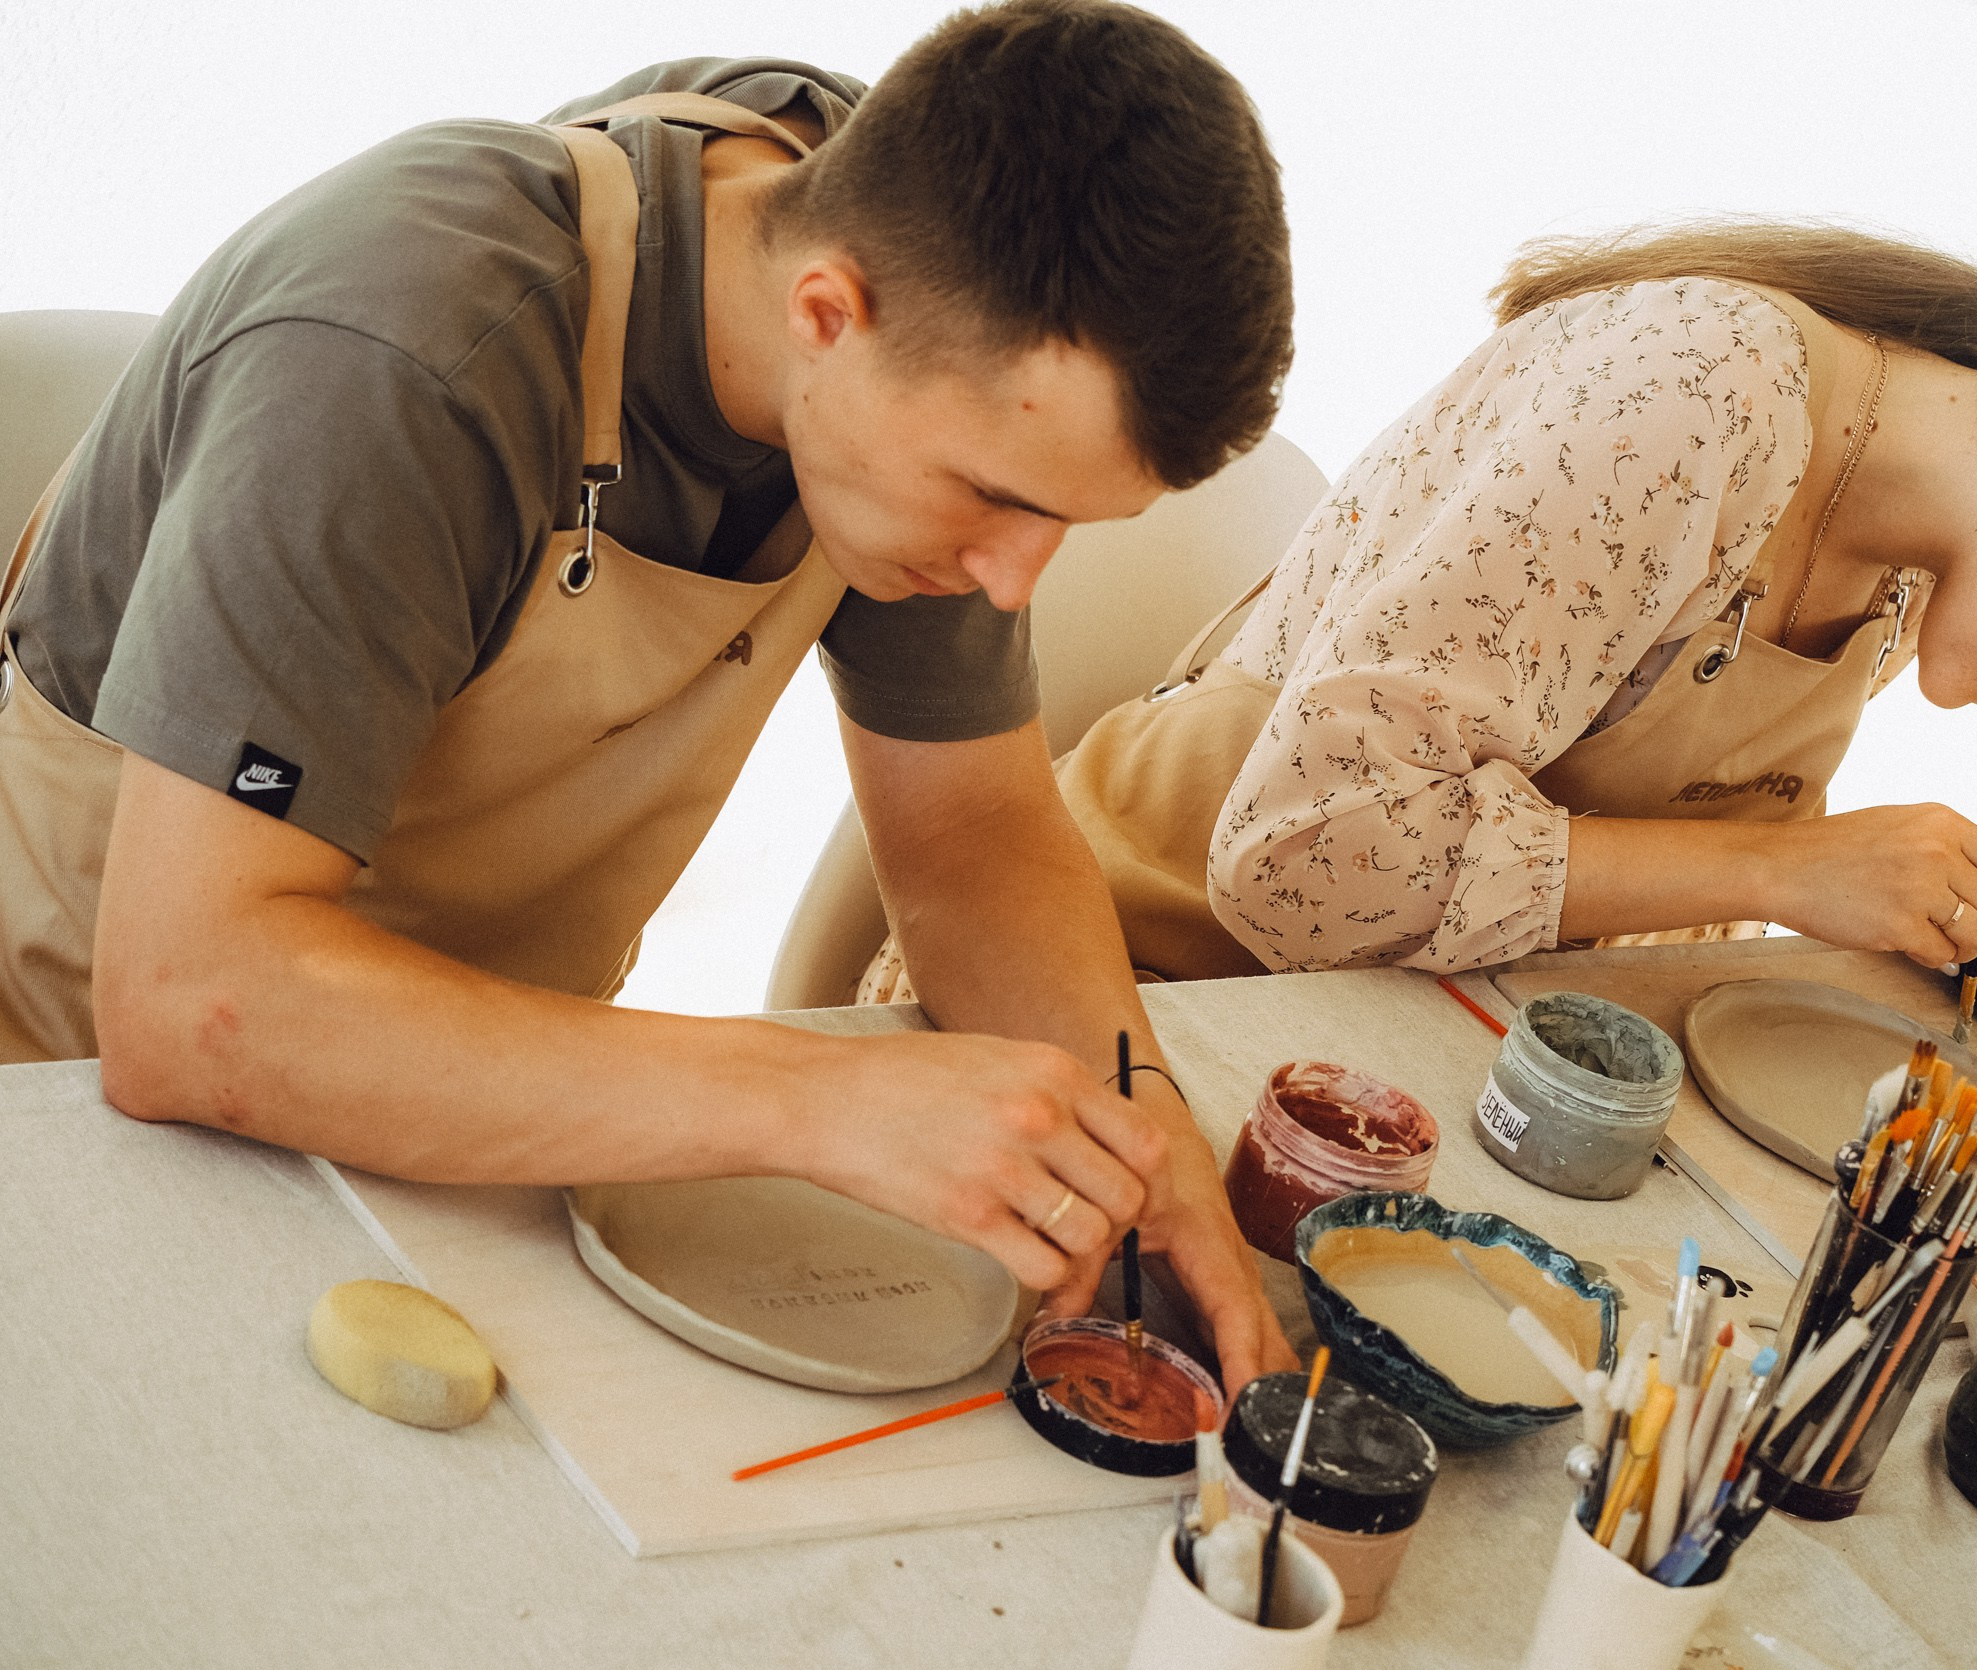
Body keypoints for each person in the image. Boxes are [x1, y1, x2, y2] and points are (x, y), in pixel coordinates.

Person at [0, 4, 1299, 1386]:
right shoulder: (403, 356)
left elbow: (973, 833)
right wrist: (816, 1097)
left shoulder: (914, 268)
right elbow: (192, 1002)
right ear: (826, 316)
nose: (1014, 579)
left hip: (494, 1114)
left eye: (1063, 522)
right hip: (79, 1095)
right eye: (993, 498)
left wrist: (1135, 1127)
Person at [1019, 223, 1977, 985]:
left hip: (1393, 1037)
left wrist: (1913, 893)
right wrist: (1790, 873)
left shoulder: (1909, 554)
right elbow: (1301, 864)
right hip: (1118, 970)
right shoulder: (1693, 399)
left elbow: (1625, 869)